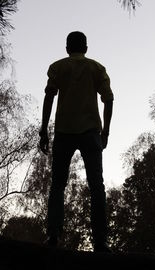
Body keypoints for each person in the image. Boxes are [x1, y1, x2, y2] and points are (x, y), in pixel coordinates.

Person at [39, 31, 114, 252]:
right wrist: (106, 131)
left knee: (57, 185)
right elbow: (109, 99)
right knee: (96, 186)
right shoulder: (96, 68)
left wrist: (44, 129)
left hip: (64, 131)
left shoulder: (58, 67)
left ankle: (53, 235)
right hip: (91, 132)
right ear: (86, 48)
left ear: (66, 48)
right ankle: (100, 241)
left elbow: (49, 96)